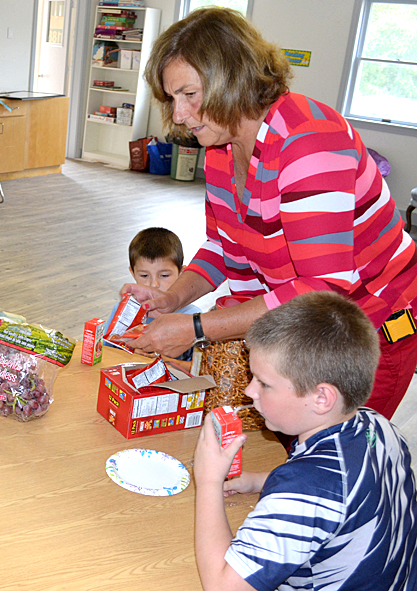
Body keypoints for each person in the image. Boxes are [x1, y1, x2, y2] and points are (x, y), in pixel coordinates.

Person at [121, 7, 417, 419]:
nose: (179, 115)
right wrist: (174, 298)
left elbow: (322, 287)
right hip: (297, 326)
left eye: (189, 95)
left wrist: (197, 328)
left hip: (366, 330)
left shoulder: (309, 140)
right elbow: (221, 246)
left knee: (333, 456)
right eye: (172, 99)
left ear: (233, 78)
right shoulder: (222, 149)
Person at [194, 291, 417, 591]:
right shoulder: (377, 425)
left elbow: (222, 586)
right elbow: (348, 487)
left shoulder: (307, 490)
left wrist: (208, 480)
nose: (249, 391)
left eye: (264, 383)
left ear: (321, 398)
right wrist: (262, 481)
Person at [103, 227, 199, 364]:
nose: (154, 284)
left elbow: (198, 368)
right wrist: (128, 352)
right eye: (144, 275)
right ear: (132, 273)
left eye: (164, 275)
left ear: (182, 273)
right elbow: (106, 351)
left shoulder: (193, 317)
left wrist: (162, 361)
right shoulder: (123, 312)